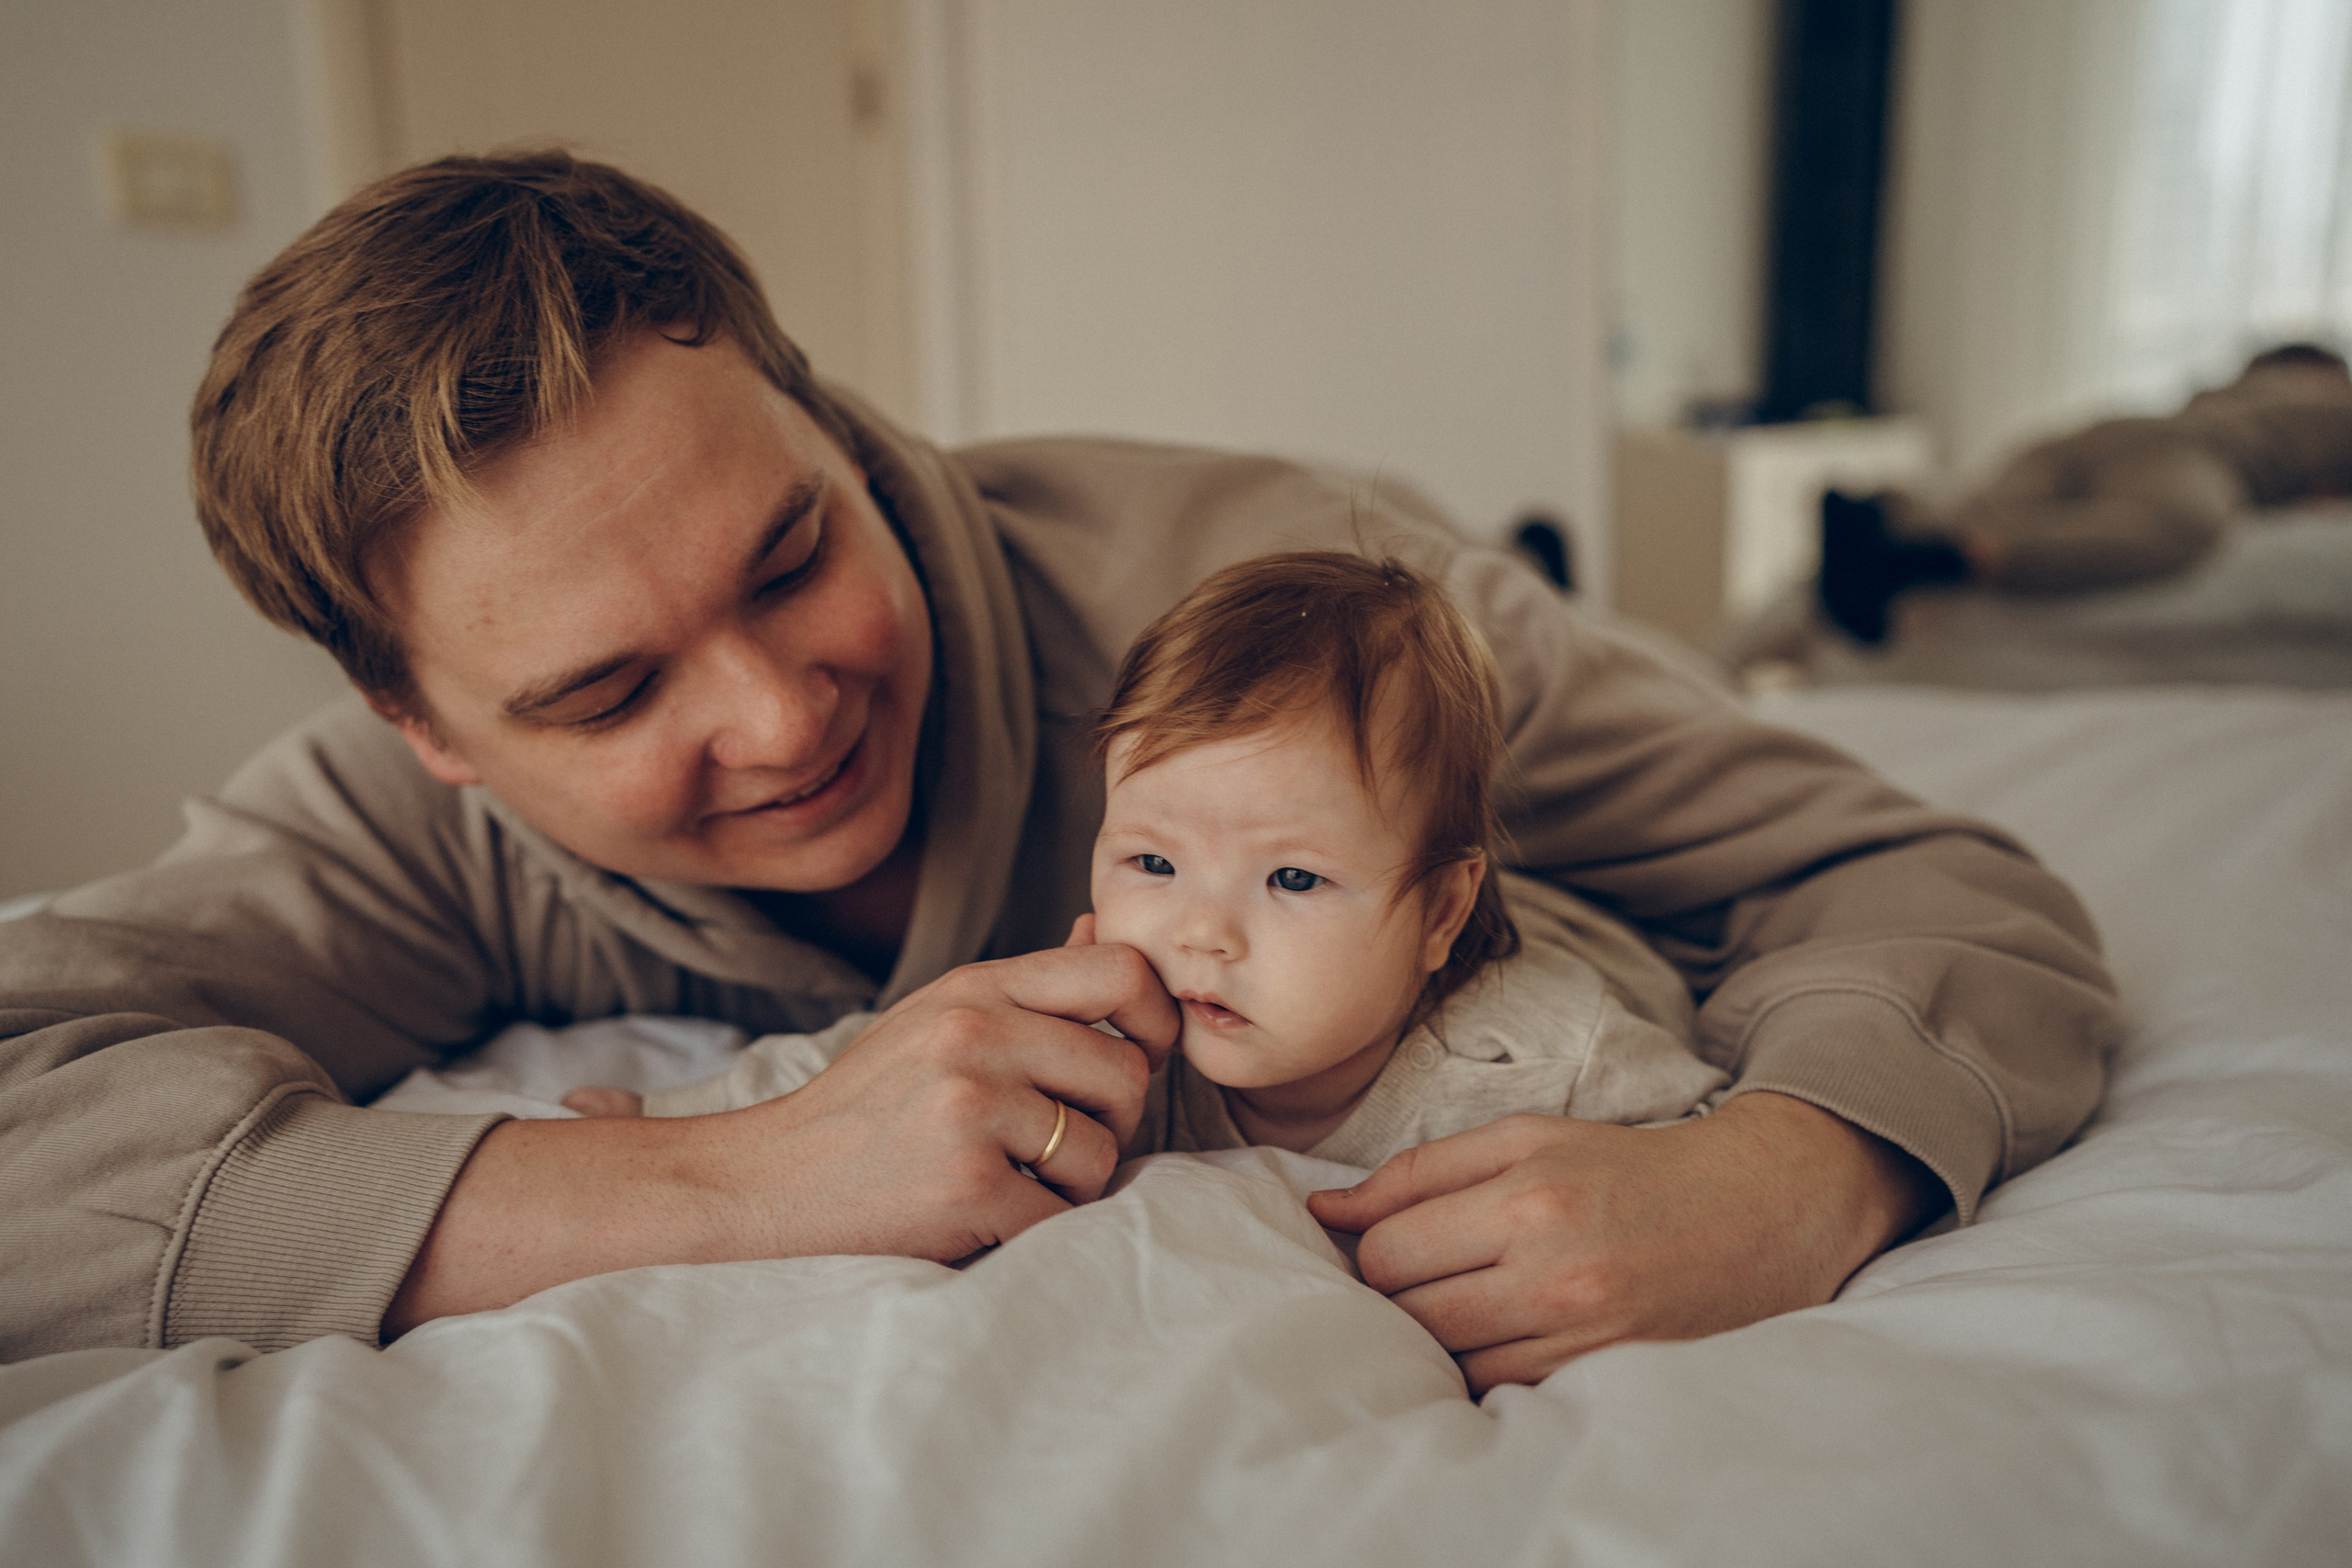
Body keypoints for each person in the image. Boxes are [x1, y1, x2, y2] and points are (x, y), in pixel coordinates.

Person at [0, 152, 2121, 1394]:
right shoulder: (407, 831)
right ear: (432, 735)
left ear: (823, 417)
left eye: (791, 551)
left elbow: (1922, 879)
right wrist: (737, 1180)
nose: (775, 709)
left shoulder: (1294, 635)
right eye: (607, 690)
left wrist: (1792, 1166)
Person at [566, 553, 1725, 1162]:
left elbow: (1708, 1171)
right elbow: (866, 1073)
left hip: (1580, 945)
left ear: (1436, 912)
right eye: (1152, 865)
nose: (1199, 934)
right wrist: (680, 1123)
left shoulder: (1550, 1064)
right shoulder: (1122, 1022)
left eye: (1292, 880)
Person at [1818, 344, 2352, 644]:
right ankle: (1938, 561)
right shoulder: (2328, 408)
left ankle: (1883, 514)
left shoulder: (2240, 387)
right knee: (2176, 526)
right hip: (2198, 454)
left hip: (2116, 428)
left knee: (1996, 503)